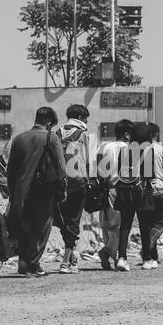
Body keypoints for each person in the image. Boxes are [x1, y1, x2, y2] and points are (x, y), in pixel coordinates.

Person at [6, 106, 66, 276]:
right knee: (42, 227)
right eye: (51, 125)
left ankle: (23, 262)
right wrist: (62, 188)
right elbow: (61, 167)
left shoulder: (18, 139)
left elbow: (10, 169)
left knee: (24, 226)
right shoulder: (51, 137)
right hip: (44, 191)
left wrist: (12, 192)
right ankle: (32, 263)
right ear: (48, 122)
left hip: (21, 192)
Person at [134, 122, 163, 269]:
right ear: (156, 135)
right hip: (160, 189)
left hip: (142, 191)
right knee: (159, 224)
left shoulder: (137, 150)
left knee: (145, 225)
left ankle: (151, 257)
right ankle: (147, 250)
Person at [98, 118, 142, 271]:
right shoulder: (130, 149)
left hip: (107, 189)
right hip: (123, 191)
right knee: (121, 226)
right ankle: (108, 253)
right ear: (128, 134)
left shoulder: (103, 147)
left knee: (108, 226)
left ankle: (112, 256)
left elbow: (99, 171)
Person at [52, 103, 91, 274]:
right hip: (77, 182)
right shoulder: (83, 134)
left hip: (58, 183)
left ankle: (71, 257)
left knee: (64, 221)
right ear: (82, 118)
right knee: (74, 221)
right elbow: (90, 161)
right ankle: (66, 262)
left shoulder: (56, 133)